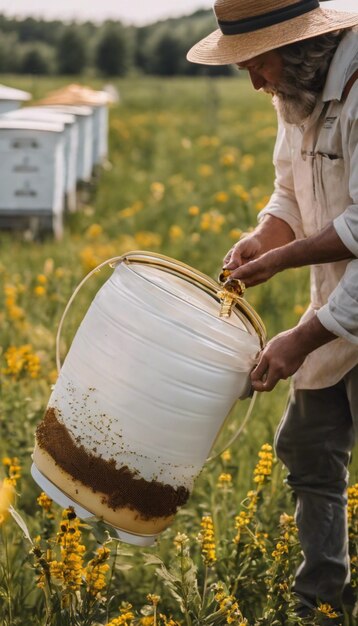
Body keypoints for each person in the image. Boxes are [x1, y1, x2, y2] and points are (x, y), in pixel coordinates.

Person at [187, 0, 358, 621]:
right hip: (337, 312)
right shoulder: (297, 92)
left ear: (301, 47)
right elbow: (291, 191)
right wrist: (267, 238)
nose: (255, 81)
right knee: (308, 449)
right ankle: (320, 604)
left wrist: (297, 336)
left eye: (257, 64)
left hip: (344, 310)